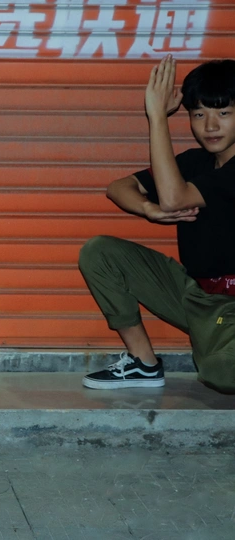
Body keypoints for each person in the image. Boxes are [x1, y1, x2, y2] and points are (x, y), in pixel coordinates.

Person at [79, 55, 235, 393]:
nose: (210, 126)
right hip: (194, 295)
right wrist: (149, 209)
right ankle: (143, 363)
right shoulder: (195, 162)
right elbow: (119, 187)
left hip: (232, 308)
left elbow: (175, 198)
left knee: (220, 373)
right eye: (199, 114)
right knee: (100, 252)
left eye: (223, 113)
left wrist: (157, 117)